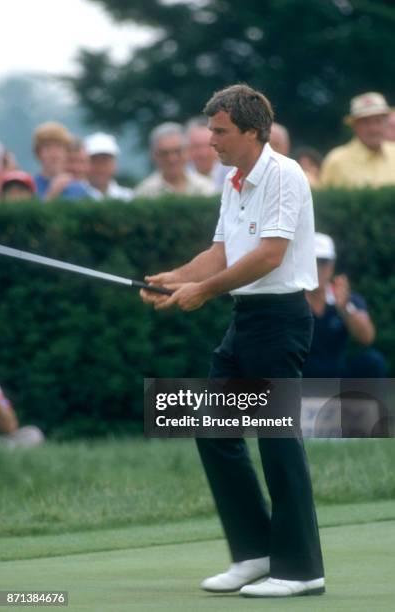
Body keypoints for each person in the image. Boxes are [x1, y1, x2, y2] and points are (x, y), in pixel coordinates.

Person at [141, 85, 325, 598]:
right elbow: (221, 252)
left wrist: (201, 291)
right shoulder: (233, 181)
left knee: (276, 440)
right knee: (213, 427)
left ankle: (301, 568)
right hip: (246, 320)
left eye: (219, 130)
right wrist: (176, 278)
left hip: (281, 319)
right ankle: (256, 553)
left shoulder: (284, 174)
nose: (210, 139)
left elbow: (269, 255)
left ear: (250, 131)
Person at [303, 233, 386, 379]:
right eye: (312, 261)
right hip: (301, 374)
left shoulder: (348, 299)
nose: (317, 268)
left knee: (374, 361)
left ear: (332, 265)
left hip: (336, 373)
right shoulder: (289, 300)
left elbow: (367, 338)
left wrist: (345, 308)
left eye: (322, 262)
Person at [320, 92, 395, 187]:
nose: (373, 129)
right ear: (354, 126)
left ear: (386, 123)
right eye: (366, 122)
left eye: (378, 121)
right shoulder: (336, 161)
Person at [134, 122, 216, 198]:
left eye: (177, 151)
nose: (172, 159)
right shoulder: (145, 193)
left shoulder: (205, 188)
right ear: (154, 156)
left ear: (187, 151)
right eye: (165, 153)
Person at [33, 122, 92, 201]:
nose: (54, 154)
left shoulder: (79, 189)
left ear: (66, 152)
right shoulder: (30, 186)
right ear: (38, 153)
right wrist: (52, 194)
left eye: (59, 147)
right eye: (47, 147)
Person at [84, 132, 134, 201]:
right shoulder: (75, 196)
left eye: (105, 161)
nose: (100, 168)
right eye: (94, 161)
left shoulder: (128, 197)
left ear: (114, 164)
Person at [186, 117, 228, 190]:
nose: (203, 153)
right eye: (197, 146)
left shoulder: (233, 174)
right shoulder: (179, 177)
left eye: (208, 146)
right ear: (187, 149)